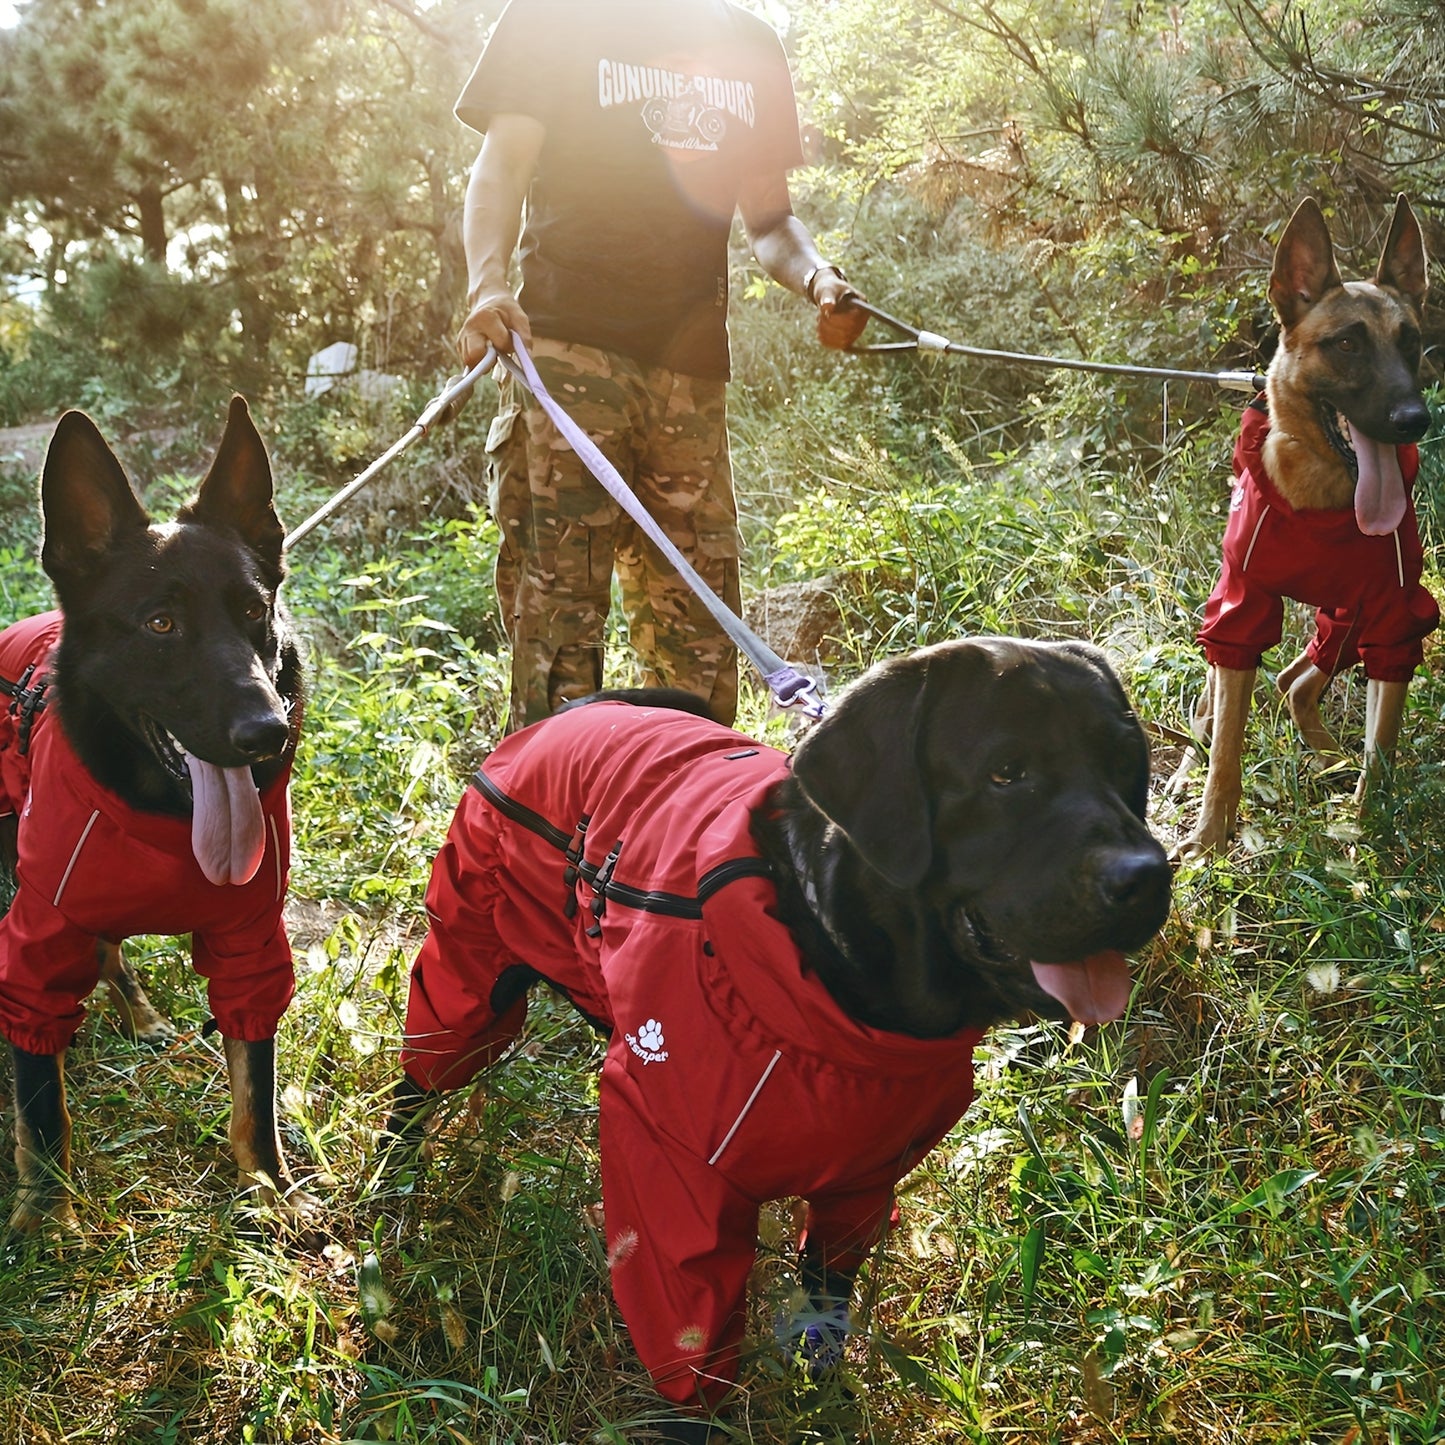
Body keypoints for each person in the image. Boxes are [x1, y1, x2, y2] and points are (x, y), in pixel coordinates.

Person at [453, 0, 867, 730]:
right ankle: (552, 833)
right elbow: (501, 165)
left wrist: (819, 279)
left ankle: (686, 830)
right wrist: (486, 283)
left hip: (691, 378)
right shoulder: (554, 18)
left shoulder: (750, 42)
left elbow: (770, 221)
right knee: (558, 641)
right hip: (566, 359)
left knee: (700, 650)